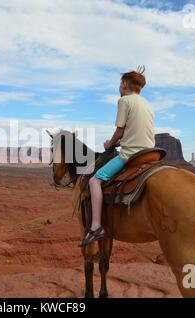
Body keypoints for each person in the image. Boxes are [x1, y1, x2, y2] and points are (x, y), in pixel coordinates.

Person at [79, 66, 155, 247]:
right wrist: (120, 141)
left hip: (131, 154)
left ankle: (96, 226)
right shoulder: (147, 104)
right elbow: (135, 132)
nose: (120, 86)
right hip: (150, 152)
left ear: (125, 84)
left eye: (121, 83)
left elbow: (120, 131)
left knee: (95, 181)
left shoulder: (124, 101)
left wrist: (110, 143)